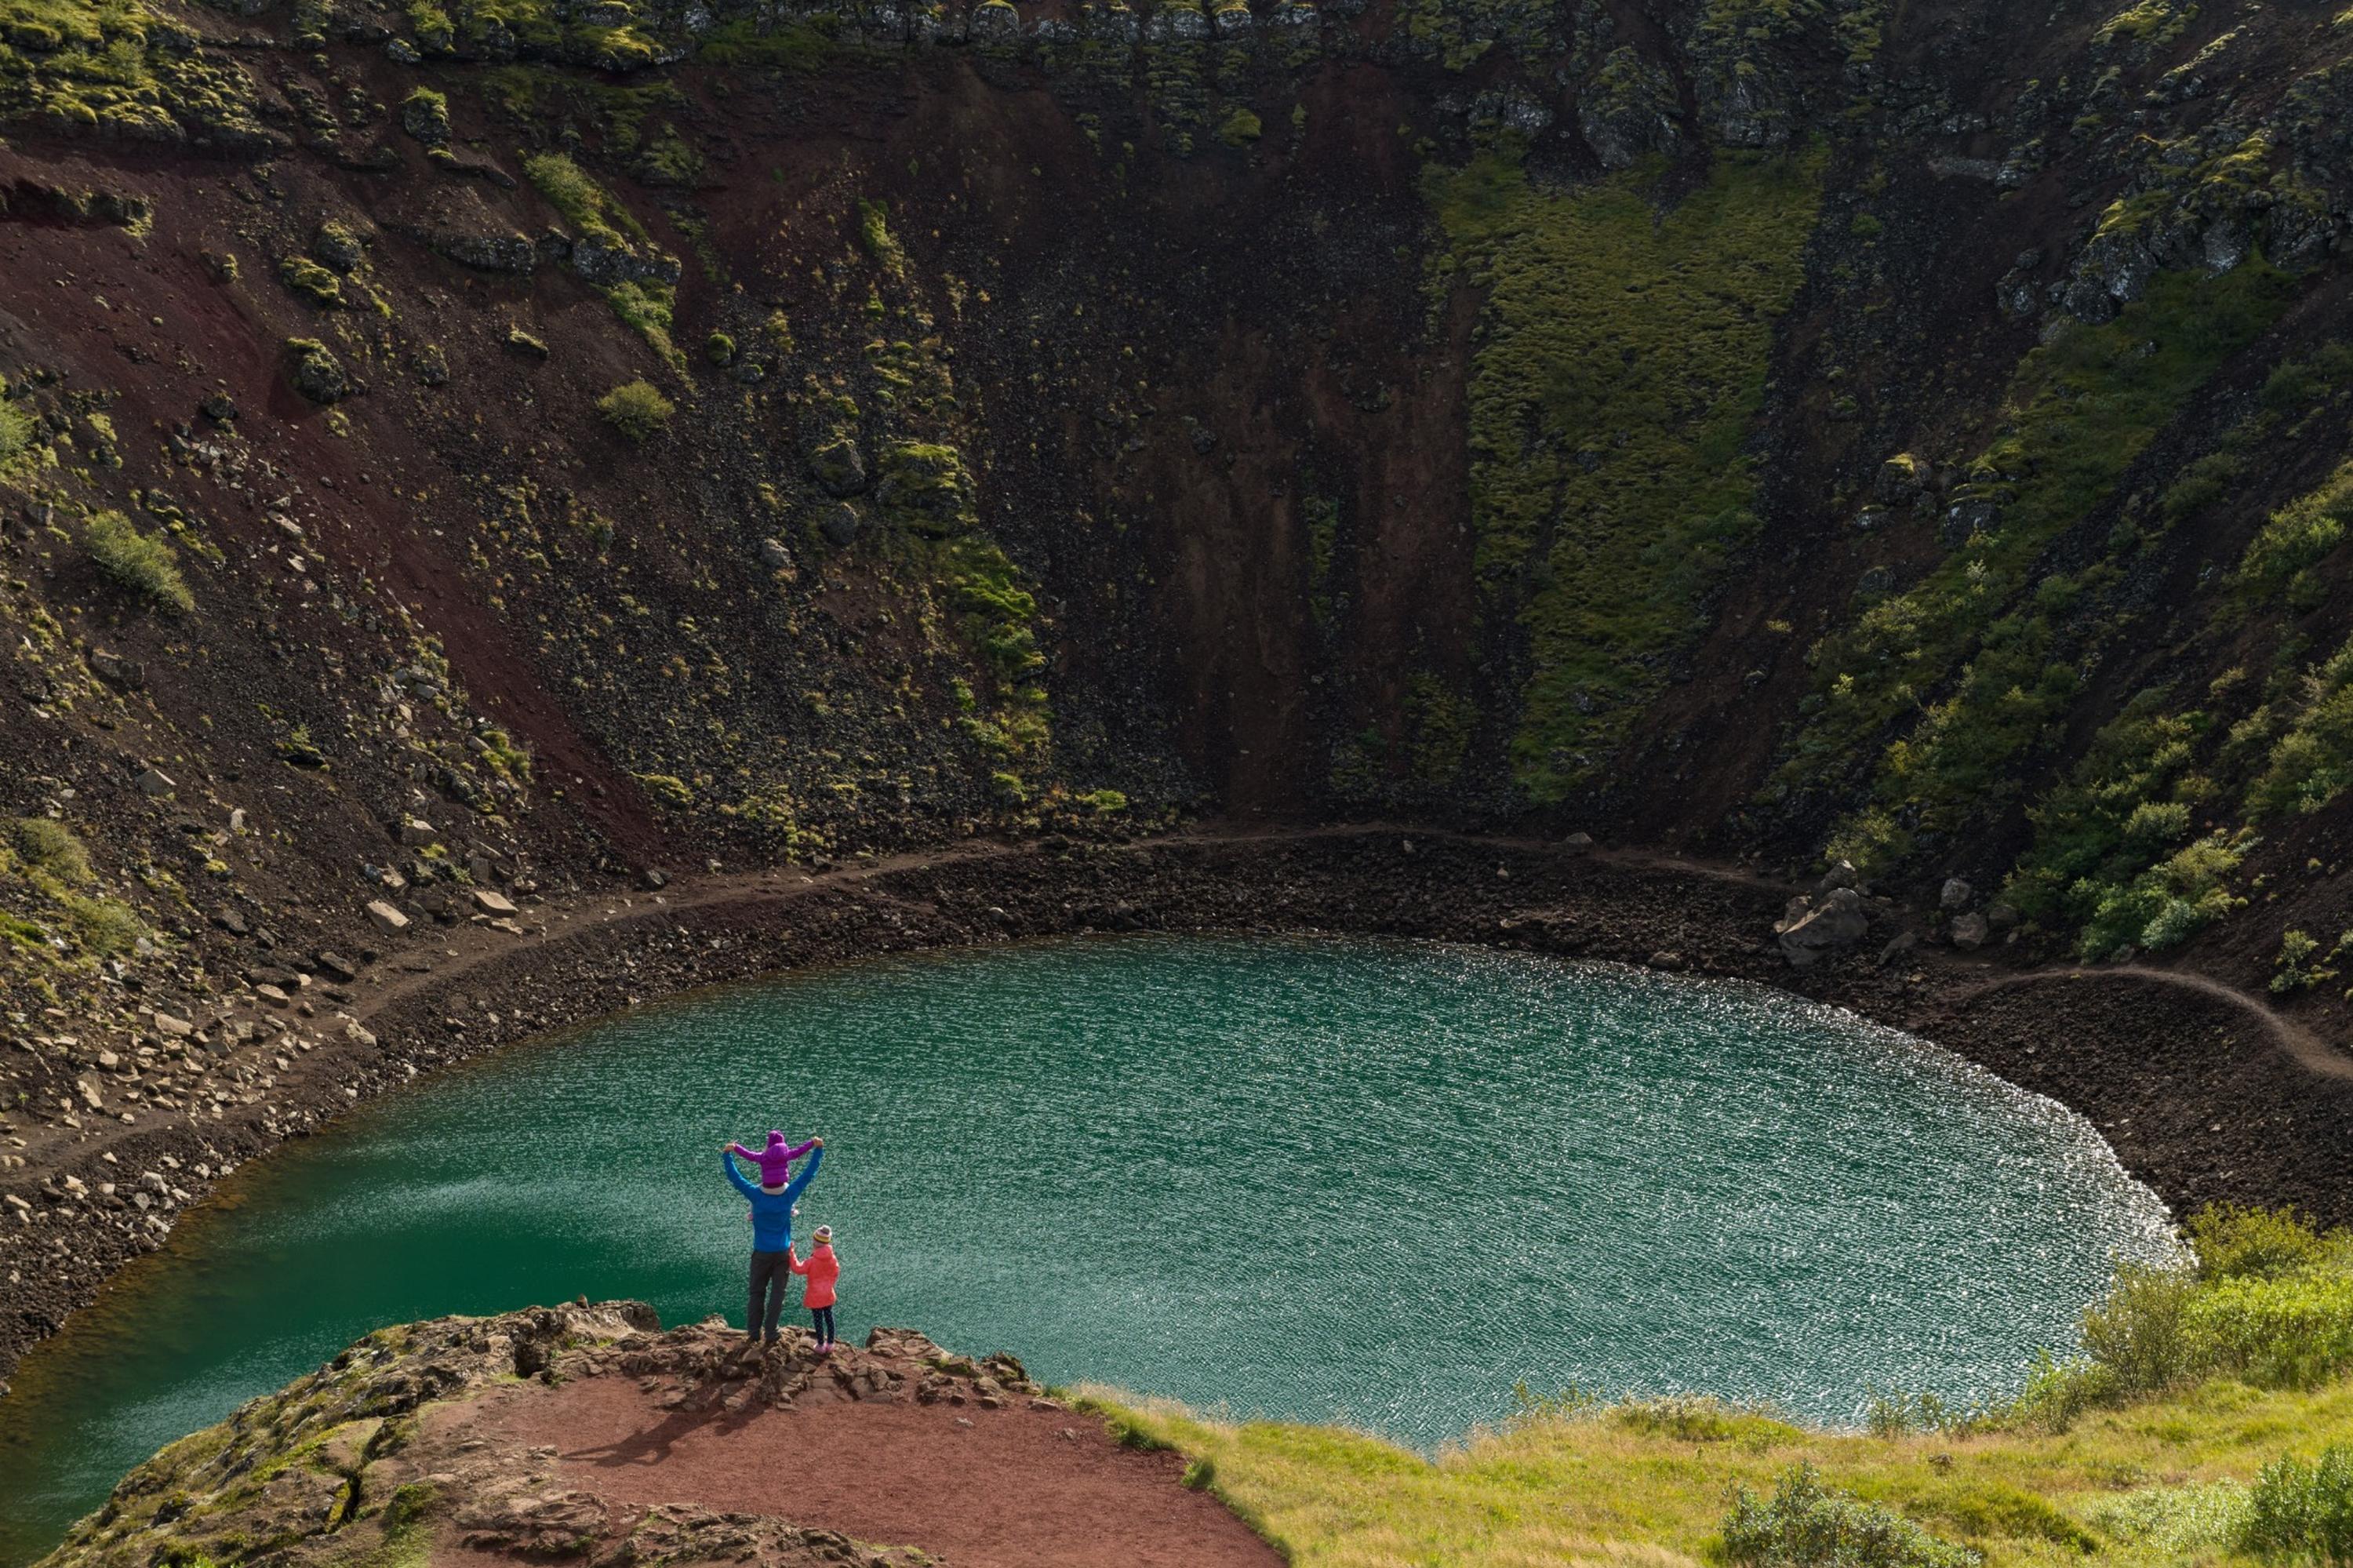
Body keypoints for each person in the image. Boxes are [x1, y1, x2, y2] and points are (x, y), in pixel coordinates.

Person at [722, 1136, 823, 1344]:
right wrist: (818, 1150)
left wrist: (727, 1155)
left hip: (761, 1253)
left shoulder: (755, 1195)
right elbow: (808, 1174)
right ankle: (771, 1332)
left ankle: (752, 1333)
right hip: (782, 1253)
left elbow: (735, 1177)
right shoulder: (789, 1196)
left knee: (756, 1293)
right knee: (778, 1294)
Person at [788, 1225, 841, 1353]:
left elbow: (798, 1268)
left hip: (816, 1295)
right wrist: (829, 1284)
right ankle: (830, 1343)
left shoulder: (812, 1261)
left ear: (815, 1242)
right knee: (829, 1318)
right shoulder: (833, 1259)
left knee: (818, 1320)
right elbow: (836, 1272)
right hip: (828, 1293)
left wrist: (791, 1252)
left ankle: (821, 1345)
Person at [726, 1130, 816, 1188]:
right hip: (782, 1185)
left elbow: (749, 1155)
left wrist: (736, 1147)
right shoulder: (786, 1154)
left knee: (755, 1194)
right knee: (790, 1192)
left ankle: (752, 1212)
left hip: (767, 1186)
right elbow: (799, 1151)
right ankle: (792, 1209)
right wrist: (811, 1143)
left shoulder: (763, 1157)